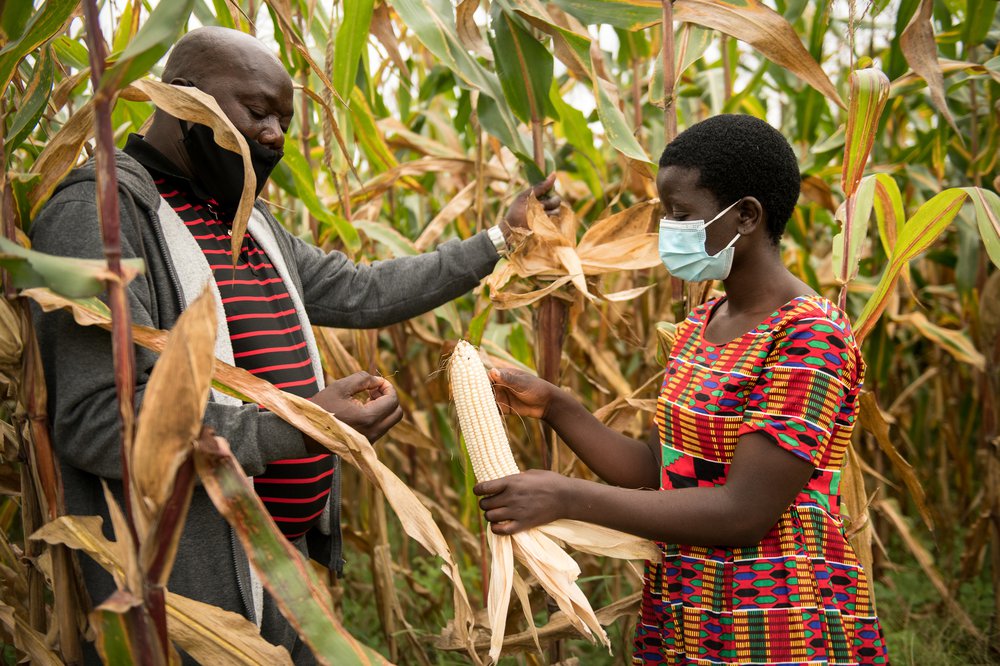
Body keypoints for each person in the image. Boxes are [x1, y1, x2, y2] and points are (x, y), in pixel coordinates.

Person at [30, 26, 557, 662]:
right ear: (182, 101)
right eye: (258, 112)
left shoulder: (246, 219)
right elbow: (96, 422)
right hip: (192, 593)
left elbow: (363, 290)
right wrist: (299, 426)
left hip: (285, 564)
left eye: (285, 118)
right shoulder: (102, 213)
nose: (278, 135)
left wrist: (499, 240)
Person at [475, 114, 890, 665]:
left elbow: (744, 512)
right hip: (689, 602)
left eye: (680, 215)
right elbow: (660, 469)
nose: (667, 231)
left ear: (745, 215)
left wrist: (567, 497)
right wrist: (555, 404)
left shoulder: (808, 337)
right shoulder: (702, 323)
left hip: (775, 615)